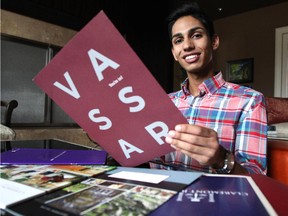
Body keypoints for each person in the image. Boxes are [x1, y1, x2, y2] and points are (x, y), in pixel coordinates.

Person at [150, 3, 267, 174]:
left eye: (196, 35)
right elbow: (154, 164)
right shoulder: (164, 103)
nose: (187, 45)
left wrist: (221, 158)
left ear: (214, 41)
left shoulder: (250, 101)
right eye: (178, 40)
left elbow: (257, 179)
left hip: (219, 199)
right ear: (174, 53)